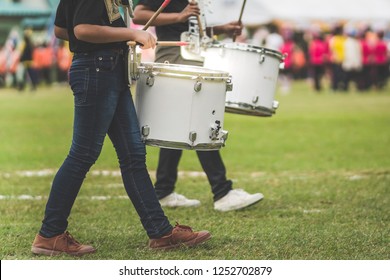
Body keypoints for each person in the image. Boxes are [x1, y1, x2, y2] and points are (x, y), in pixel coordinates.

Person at [31, 0, 211, 257]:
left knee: (133, 155)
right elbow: (81, 30)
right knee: (83, 154)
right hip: (97, 70)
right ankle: (49, 235)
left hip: (109, 68)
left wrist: (116, 37)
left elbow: (63, 29)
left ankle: (160, 232)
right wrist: (131, 33)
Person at [133, 0, 264, 212]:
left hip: (192, 58)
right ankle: (222, 192)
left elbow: (190, 29)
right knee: (201, 122)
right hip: (175, 59)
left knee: (179, 125)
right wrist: (179, 16)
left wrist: (221, 29)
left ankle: (163, 191)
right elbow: (139, 15)